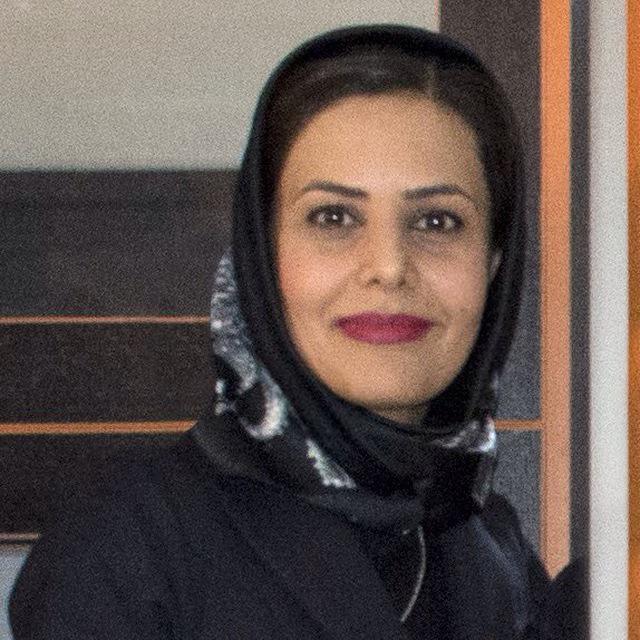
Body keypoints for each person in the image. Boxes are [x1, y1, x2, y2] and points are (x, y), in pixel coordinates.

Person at [10, 24, 550, 639]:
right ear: (263, 260)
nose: (389, 267)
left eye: (436, 221)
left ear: (493, 263)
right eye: (334, 217)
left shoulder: (494, 553)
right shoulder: (130, 544)